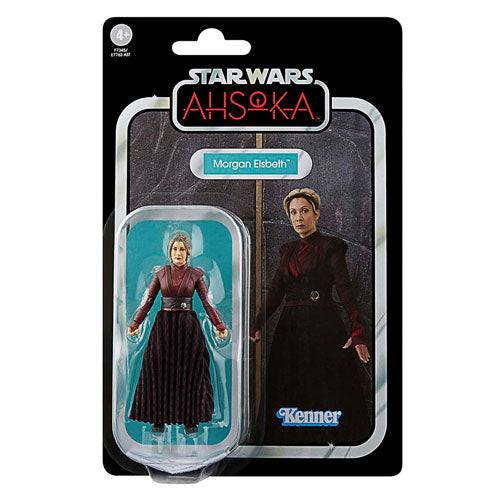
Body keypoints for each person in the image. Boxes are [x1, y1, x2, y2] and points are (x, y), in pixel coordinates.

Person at [250, 188, 371, 445]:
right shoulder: (287, 251)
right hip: (289, 330)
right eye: (293, 213)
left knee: (325, 385)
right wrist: (258, 323)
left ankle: (329, 441)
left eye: (304, 211)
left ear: (316, 213)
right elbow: (275, 291)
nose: (298, 218)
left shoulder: (331, 247)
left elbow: (345, 290)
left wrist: (357, 331)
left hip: (322, 327)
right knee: (288, 384)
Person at [128, 233, 228, 435]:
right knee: (157, 370)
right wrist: (136, 322)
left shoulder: (195, 275)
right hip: (163, 326)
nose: (178, 253)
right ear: (170, 251)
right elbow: (148, 300)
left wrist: (219, 325)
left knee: (190, 373)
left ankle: (190, 420)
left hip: (188, 327)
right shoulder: (160, 273)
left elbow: (207, 302)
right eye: (175, 249)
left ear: (188, 252)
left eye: (182, 249)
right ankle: (158, 419)